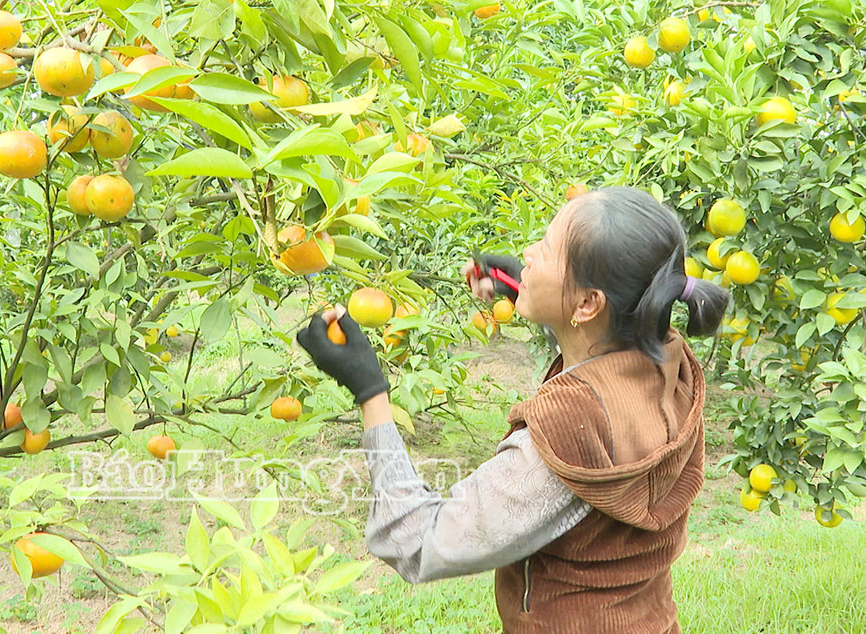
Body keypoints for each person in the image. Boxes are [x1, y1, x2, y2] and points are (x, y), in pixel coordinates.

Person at [296, 186, 732, 633]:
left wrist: (370, 391)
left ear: (587, 303)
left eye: (545, 248)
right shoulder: (669, 365)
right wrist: (537, 292)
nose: (527, 252)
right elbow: (592, 352)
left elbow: (415, 540)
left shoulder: (566, 436)